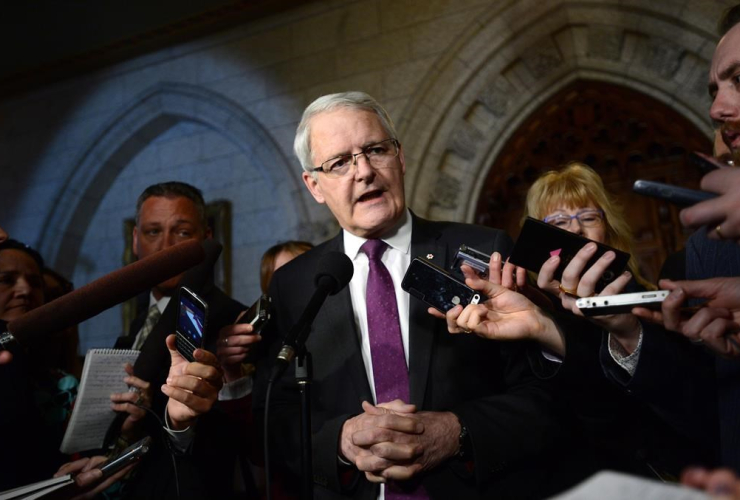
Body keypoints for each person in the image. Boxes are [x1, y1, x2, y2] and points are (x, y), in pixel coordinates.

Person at [249, 91, 554, 499]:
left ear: (400, 157)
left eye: (375, 150)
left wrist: (456, 430)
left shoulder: (485, 250)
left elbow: (544, 396)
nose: (364, 172)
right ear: (314, 186)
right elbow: (273, 418)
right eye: (339, 162)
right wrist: (339, 441)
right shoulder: (294, 285)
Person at [445, 164, 710, 483]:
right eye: (557, 222)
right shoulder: (523, 311)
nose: (576, 230)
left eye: (588, 218)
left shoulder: (647, 300)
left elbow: (686, 399)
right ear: (534, 241)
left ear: (607, 231)